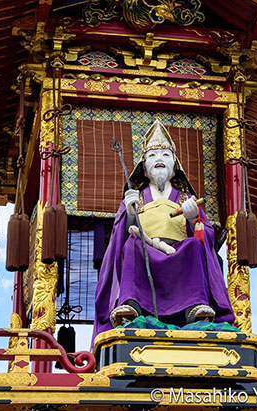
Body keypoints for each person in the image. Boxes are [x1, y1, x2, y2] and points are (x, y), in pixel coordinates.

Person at [93, 119, 233, 335]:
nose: (159, 159)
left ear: (174, 167)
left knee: (194, 247)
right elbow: (120, 236)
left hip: (179, 252)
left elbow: (207, 237)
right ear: (145, 169)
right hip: (146, 250)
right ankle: (131, 305)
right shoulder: (135, 197)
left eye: (165, 156)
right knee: (131, 246)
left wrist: (193, 217)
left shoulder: (187, 198)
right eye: (152, 156)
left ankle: (194, 306)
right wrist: (130, 213)